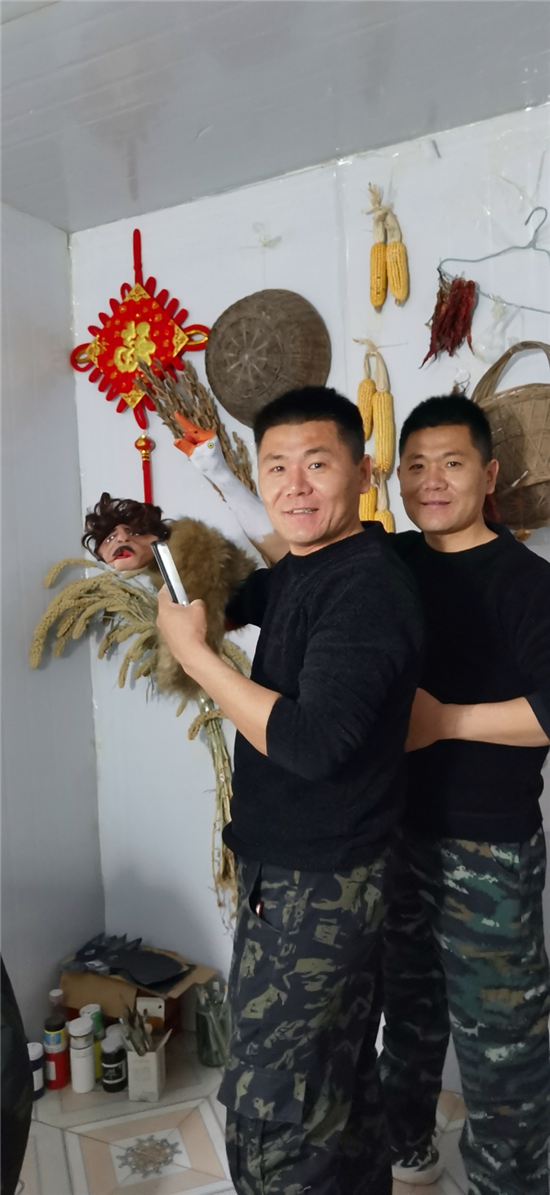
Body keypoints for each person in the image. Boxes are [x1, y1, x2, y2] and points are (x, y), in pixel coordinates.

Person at [157, 386, 423, 1195]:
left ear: (362, 472)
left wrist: (199, 660)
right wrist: (159, 560)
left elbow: (312, 743)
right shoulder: (314, 566)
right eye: (276, 466)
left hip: (321, 880)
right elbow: (243, 596)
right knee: (338, 1088)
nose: (295, 485)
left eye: (317, 463)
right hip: (309, 868)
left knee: (276, 1120)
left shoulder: (366, 587)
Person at [379, 395, 550, 1195]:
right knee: (408, 1007)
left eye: (451, 463)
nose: (431, 480)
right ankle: (407, 1145)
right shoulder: (390, 563)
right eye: (415, 465)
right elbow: (287, 551)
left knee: (502, 1038)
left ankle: (510, 1181)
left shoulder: (527, 581)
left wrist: (445, 720)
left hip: (489, 846)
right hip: (394, 830)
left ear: (488, 474)